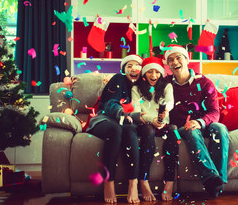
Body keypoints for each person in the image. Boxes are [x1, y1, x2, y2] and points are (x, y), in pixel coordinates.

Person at [163, 44, 229, 198]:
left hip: (203, 124)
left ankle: (217, 181)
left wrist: (199, 122)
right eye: (170, 60)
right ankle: (211, 180)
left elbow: (214, 112)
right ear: (168, 65)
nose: (174, 62)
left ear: (187, 59)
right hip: (181, 129)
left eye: (178, 57)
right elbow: (146, 84)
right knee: (191, 131)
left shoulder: (204, 82)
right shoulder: (165, 84)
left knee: (220, 128)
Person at [86, 54, 150, 204]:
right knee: (116, 129)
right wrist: (125, 113)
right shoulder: (118, 79)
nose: (133, 69)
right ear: (124, 70)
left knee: (129, 129)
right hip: (105, 119)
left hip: (126, 123)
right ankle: (109, 183)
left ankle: (133, 184)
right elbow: (110, 104)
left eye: (137, 66)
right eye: (129, 66)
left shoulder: (142, 86)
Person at [131, 56, 178, 201]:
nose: (153, 75)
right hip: (144, 124)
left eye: (157, 72)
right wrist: (152, 120)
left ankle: (169, 184)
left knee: (173, 130)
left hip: (163, 122)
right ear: (144, 74)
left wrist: (162, 116)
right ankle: (143, 181)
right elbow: (135, 111)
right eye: (149, 72)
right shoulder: (136, 89)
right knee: (149, 131)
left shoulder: (166, 86)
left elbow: (170, 102)